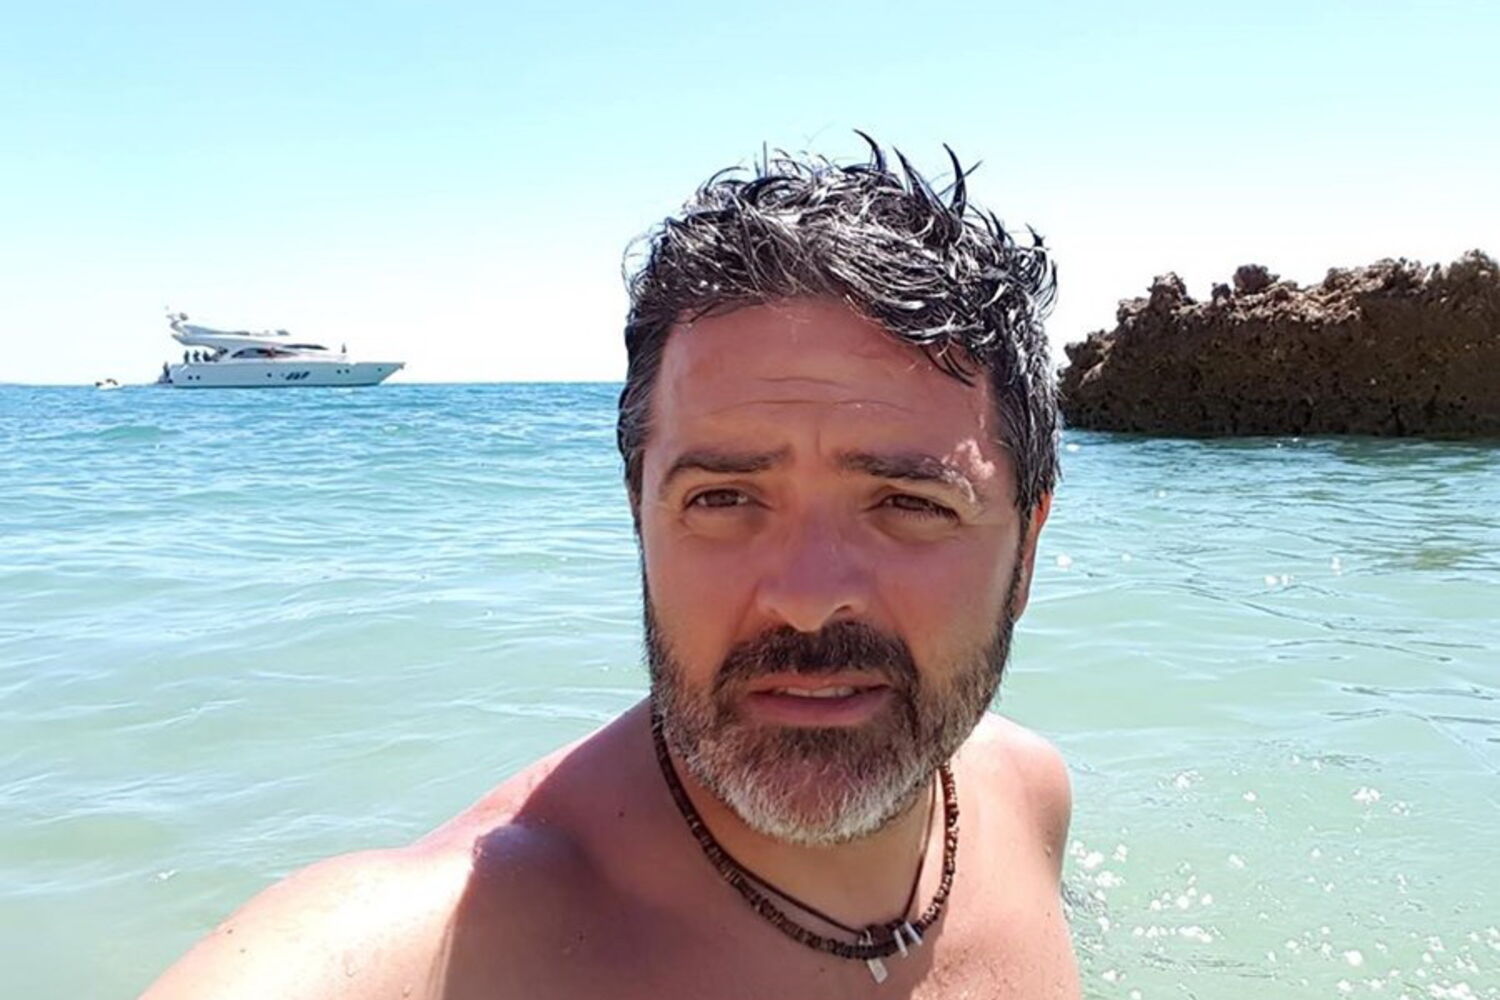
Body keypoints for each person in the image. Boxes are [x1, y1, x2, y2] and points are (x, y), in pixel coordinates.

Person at [144, 138, 1080, 999]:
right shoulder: (445, 950)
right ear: (641, 520)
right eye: (723, 498)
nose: (804, 598)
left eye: (910, 504)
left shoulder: (1024, 797)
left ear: (1027, 547)